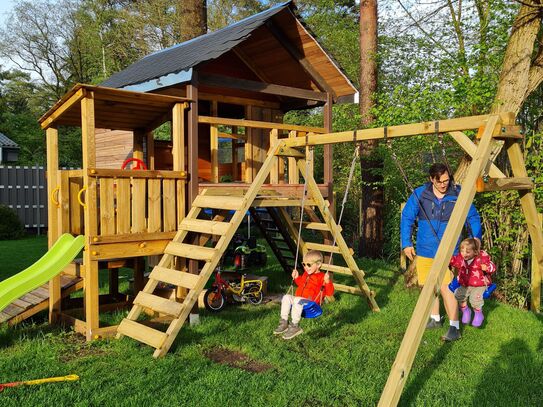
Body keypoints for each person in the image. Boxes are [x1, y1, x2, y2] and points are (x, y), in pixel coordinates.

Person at [401, 163, 482, 341]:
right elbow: (407, 216)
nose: (444, 185)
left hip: (448, 249)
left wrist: (476, 237)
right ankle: (435, 318)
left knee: (446, 287)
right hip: (424, 248)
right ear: (431, 179)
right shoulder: (421, 193)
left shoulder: (457, 193)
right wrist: (406, 243)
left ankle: (454, 327)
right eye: (440, 182)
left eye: (446, 180)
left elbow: (473, 216)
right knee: (426, 285)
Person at [273, 250, 334, 340]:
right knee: (286, 297)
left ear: (318, 265)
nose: (306, 267)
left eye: (309, 265)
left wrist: (328, 281)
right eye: (304, 264)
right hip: (300, 300)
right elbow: (301, 284)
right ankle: (284, 322)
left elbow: (330, 292)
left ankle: (295, 326)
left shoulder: (321, 277)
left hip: (311, 303)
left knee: (298, 300)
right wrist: (297, 277)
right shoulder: (306, 274)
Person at [449, 238, 495, 327]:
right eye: (462, 251)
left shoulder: (482, 259)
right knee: (459, 295)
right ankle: (466, 311)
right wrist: (449, 260)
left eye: (467, 252)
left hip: (480, 284)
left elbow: (493, 267)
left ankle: (478, 315)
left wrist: (487, 267)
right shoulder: (461, 258)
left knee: (474, 299)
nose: (464, 254)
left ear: (475, 252)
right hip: (465, 283)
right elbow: (455, 261)